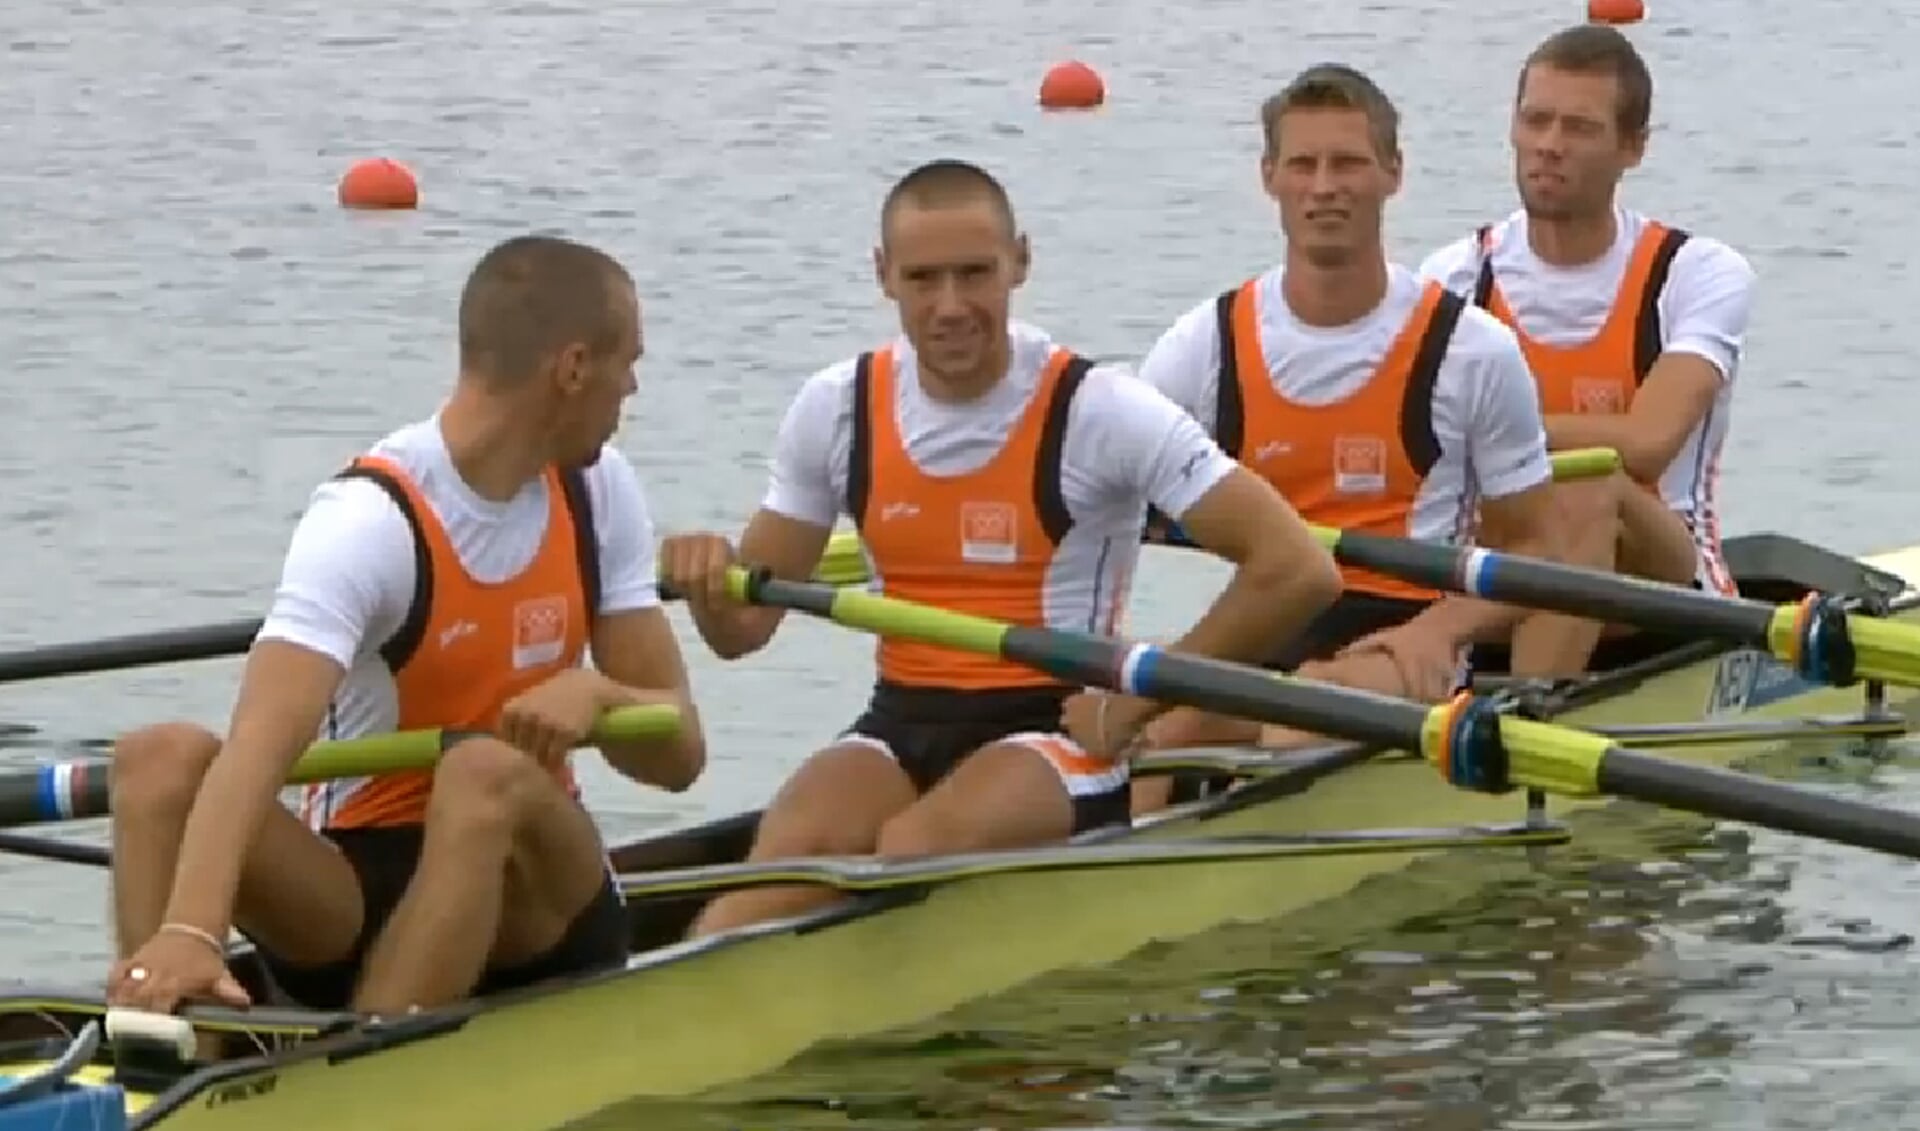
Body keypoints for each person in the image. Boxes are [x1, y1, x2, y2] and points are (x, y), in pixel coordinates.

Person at [658, 159, 1342, 937]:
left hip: (1057, 727)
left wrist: (1140, 700)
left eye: (975, 273)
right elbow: (743, 633)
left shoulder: (1101, 412)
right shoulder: (835, 408)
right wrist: (711, 579)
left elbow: (1295, 567)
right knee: (777, 867)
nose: (951, 305)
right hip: (900, 718)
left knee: (915, 847)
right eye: (923, 278)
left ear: (1021, 259)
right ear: (883, 276)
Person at [104, 235, 708, 1020]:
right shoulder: (368, 521)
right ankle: (161, 1036)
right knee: (158, 762)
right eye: (629, 363)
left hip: (537, 898)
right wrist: (194, 925)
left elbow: (680, 756)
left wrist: (599, 695)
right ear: (572, 368)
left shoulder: (599, 495)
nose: (632, 388)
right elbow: (259, 744)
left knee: (480, 771)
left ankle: (364, 1072)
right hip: (359, 885)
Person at [1128, 64, 1565, 813]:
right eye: (1303, 164)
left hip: (1397, 644)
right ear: (1270, 178)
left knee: (1292, 723)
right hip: (1258, 628)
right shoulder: (1202, 346)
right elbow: (1101, 509)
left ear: (1393, 174)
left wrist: (1441, 629)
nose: (1324, 185)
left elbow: (1537, 551)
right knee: (1131, 747)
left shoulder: (1472, 351)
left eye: (1348, 163)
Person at [1419, 24, 1756, 672]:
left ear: (1633, 147)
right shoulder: (1455, 277)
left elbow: (1645, 443)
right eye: (1535, 121)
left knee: (1589, 482)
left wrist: (1496, 432)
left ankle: (1528, 720)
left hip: (1660, 586)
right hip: (1506, 567)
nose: (1548, 146)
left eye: (1578, 128)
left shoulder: (1696, 273)